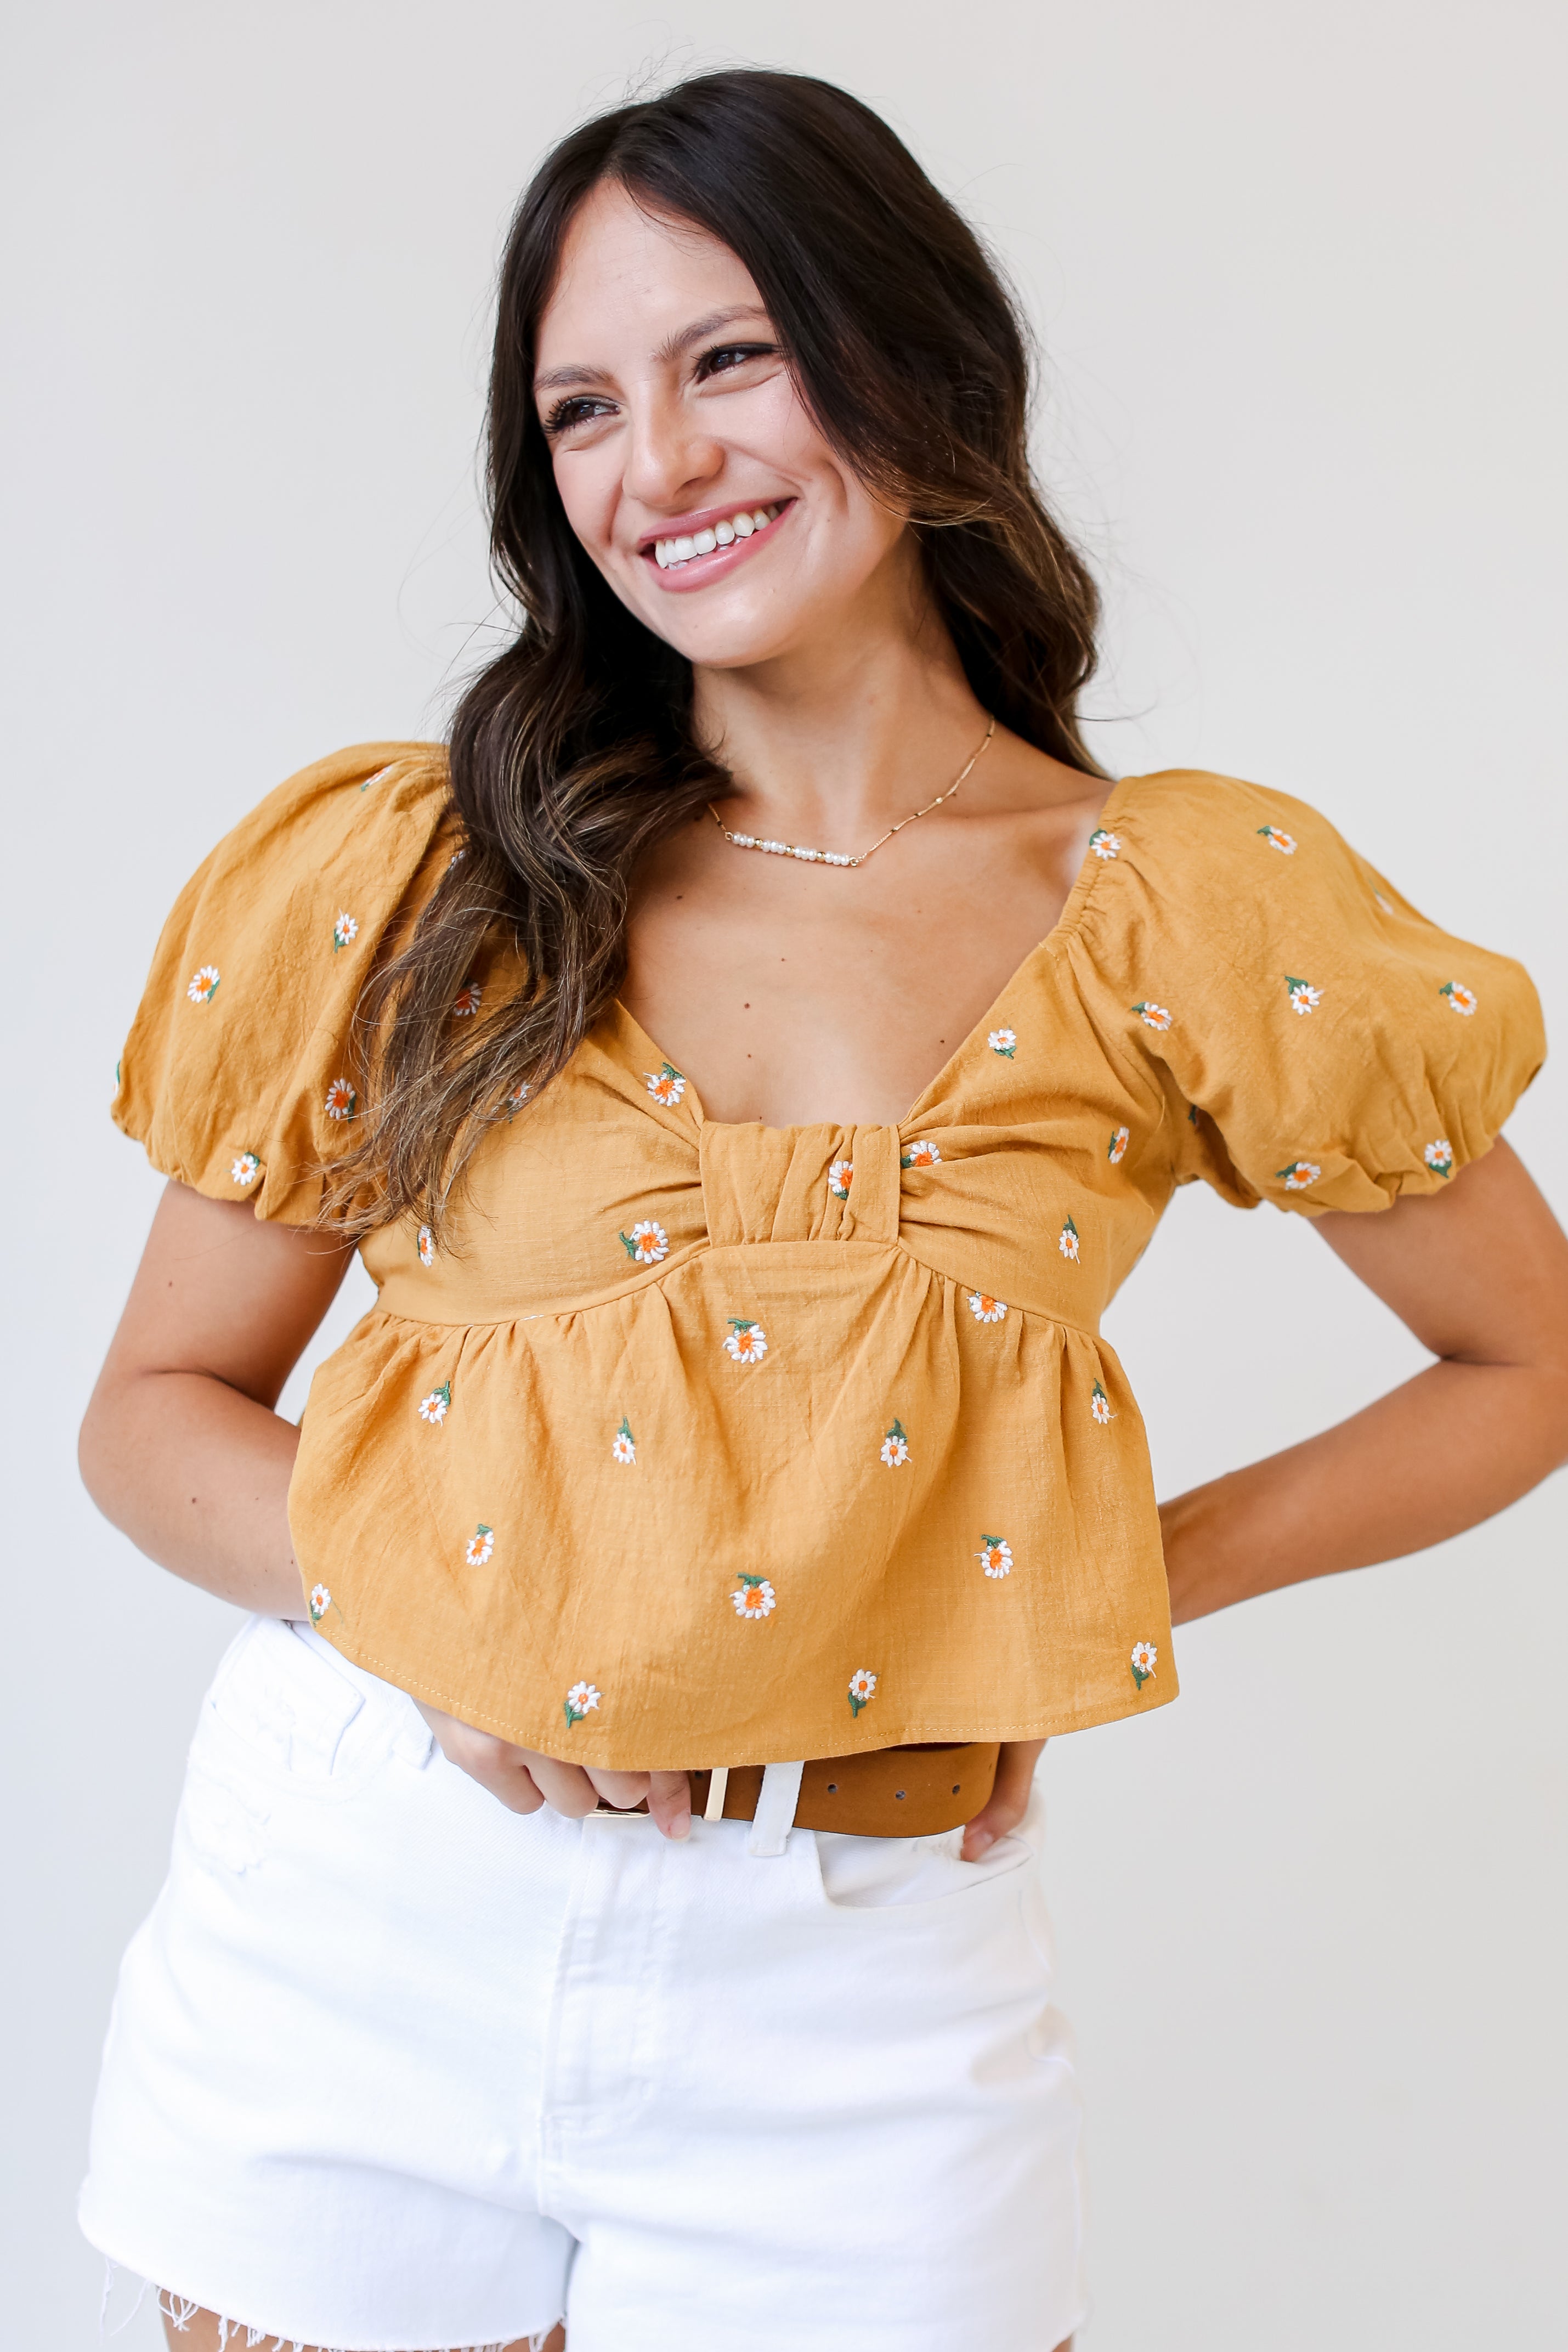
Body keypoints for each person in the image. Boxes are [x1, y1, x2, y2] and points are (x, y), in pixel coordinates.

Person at [77, 66, 1566, 2352]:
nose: (652, 466)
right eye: (579, 408)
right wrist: (416, 1596)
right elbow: (155, 1410)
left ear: (918, 365)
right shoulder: (424, 868)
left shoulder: (1174, 897)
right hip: (374, 1905)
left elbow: (1522, 1361)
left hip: (857, 1975)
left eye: (728, 359)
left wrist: (1107, 1585)